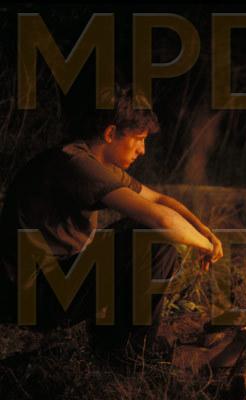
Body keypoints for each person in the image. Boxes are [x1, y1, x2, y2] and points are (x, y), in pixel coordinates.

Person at [0, 89, 223, 359]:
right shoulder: (76, 163)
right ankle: (131, 354)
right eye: (138, 139)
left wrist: (202, 229)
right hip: (31, 297)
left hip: (56, 280)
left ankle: (112, 341)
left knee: (139, 231)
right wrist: (206, 246)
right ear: (110, 133)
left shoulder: (98, 164)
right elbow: (162, 219)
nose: (142, 150)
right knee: (154, 238)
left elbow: (159, 199)